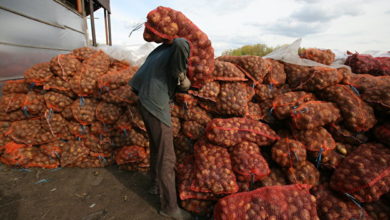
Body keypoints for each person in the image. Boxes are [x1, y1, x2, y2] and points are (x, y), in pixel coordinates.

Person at [129, 29, 192, 220]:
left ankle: (155, 185)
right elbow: (182, 43)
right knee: (167, 156)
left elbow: (136, 81)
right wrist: (181, 76)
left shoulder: (157, 52)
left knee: (157, 147)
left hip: (144, 101)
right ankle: (170, 207)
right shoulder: (178, 47)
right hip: (155, 104)